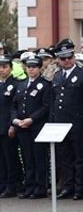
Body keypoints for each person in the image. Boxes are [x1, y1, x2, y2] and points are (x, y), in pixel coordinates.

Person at [49, 39, 83, 199]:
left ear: (74, 57)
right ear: (58, 60)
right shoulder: (57, 76)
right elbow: (54, 102)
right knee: (64, 157)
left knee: (80, 157)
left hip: (77, 122)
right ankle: (68, 186)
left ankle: (80, 187)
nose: (66, 61)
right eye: (63, 58)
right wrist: (52, 123)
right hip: (60, 123)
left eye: (69, 57)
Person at [12, 53, 50, 199]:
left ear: (39, 68)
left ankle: (40, 187)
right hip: (21, 126)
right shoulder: (21, 84)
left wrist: (31, 119)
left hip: (36, 126)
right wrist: (14, 120)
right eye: (29, 67)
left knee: (38, 158)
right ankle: (29, 186)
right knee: (27, 158)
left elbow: (46, 107)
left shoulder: (45, 84)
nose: (31, 70)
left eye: (34, 67)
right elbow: (14, 105)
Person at [0, 55, 21, 197]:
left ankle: (12, 185)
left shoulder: (15, 84)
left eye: (4, 67)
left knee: (10, 157)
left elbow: (15, 107)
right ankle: (2, 183)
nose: (1, 70)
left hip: (8, 126)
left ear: (11, 68)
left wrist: (13, 126)